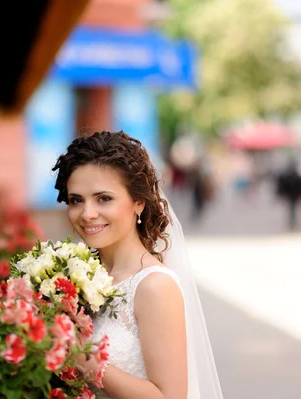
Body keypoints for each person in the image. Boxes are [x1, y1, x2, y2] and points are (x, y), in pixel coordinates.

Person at [52, 131, 222, 399]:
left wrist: (87, 362)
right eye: (76, 200)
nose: (87, 214)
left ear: (138, 202)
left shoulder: (154, 286)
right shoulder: (75, 277)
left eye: (104, 198)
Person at [275, 159, 301, 231]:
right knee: (292, 209)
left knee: (291, 209)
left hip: (291, 195)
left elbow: (281, 185)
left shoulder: (287, 175)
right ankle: (292, 222)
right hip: (294, 195)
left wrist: (281, 194)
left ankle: (292, 222)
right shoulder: (296, 175)